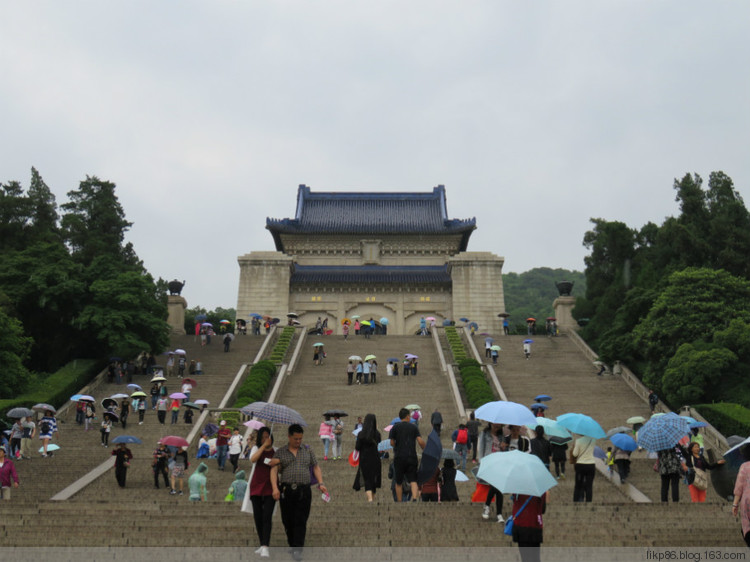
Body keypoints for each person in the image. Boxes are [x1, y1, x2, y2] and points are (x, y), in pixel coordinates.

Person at [270, 424, 328, 562]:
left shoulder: (307, 450)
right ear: (289, 437)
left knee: (301, 520)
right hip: (287, 490)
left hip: (304, 490)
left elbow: (315, 467)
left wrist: (321, 483)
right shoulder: (281, 452)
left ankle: (298, 549)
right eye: (295, 438)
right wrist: (275, 488)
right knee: (287, 520)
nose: (298, 441)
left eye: (300, 439)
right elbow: (273, 469)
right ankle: (292, 543)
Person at [249, 427, 277, 559]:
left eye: (268, 436)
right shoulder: (256, 449)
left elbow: (278, 467)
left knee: (267, 517)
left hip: (270, 486)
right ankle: (262, 543)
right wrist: (262, 447)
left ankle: (265, 545)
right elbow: (253, 459)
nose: (266, 438)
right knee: (258, 517)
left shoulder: (275, 450)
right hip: (256, 485)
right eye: (263, 436)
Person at [389, 408, 426, 502]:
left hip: (399, 457)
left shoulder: (395, 428)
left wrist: (397, 444)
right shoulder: (413, 427)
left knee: (399, 482)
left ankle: (400, 501)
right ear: (407, 416)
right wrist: (425, 449)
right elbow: (420, 441)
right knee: (413, 480)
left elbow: (392, 443)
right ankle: (414, 498)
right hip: (411, 456)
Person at [478, 422, 506, 522]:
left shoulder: (501, 437)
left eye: (499, 424)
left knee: (498, 489)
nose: (497, 425)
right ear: (490, 423)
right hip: (489, 464)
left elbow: (504, 452)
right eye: (495, 424)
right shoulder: (484, 434)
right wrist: (481, 463)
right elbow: (481, 449)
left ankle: (489, 507)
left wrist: (504, 448)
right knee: (496, 486)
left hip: (500, 465)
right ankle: (498, 514)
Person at [511, 492, 547, 562]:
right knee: (535, 558)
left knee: (525, 558)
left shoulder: (517, 487)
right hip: (534, 526)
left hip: (520, 526)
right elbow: (543, 509)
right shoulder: (540, 488)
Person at [353, 413, 381, 502]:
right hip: (375, 458)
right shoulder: (377, 433)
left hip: (364, 459)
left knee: (367, 479)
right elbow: (379, 444)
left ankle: (369, 499)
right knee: (373, 478)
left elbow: (357, 447)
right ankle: (372, 498)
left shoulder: (361, 434)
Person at [732, 445, 750, 546]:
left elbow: (739, 486)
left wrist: (735, 504)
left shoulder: (744, 466)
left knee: (746, 526)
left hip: (747, 501)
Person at [571, 434, 596, 502]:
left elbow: (575, 454)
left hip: (580, 465)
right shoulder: (593, 440)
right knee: (589, 486)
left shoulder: (578, 441)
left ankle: (575, 501)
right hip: (591, 464)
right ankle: (589, 502)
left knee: (578, 485)